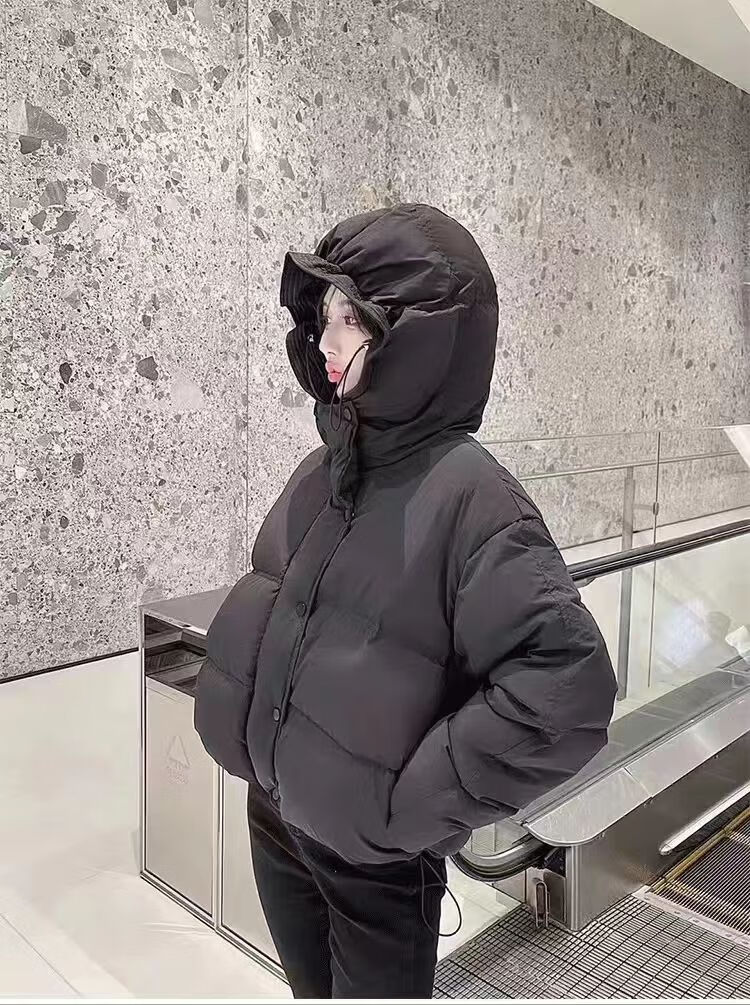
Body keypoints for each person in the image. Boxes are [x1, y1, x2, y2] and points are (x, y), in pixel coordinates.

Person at [194, 203, 618, 999]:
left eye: (350, 320)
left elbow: (567, 689)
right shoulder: (328, 466)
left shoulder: (475, 499)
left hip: (372, 866)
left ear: (417, 337)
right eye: (323, 318)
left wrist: (407, 805)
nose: (325, 342)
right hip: (277, 821)